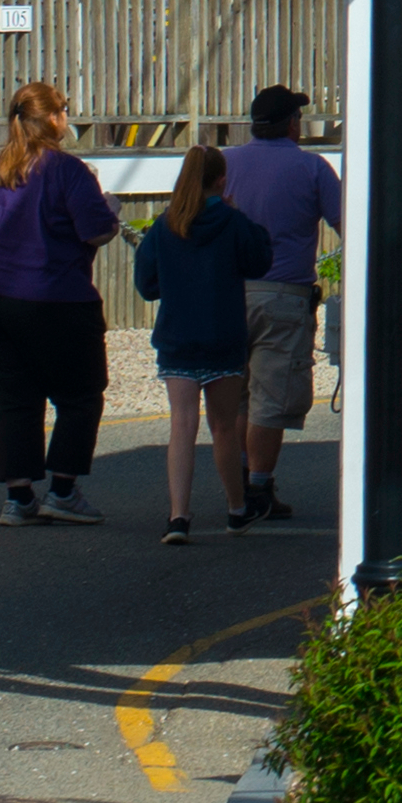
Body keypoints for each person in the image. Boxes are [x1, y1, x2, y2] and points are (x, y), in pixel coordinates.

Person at [0, 81, 122, 528]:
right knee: (80, 394)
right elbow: (96, 232)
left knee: (13, 395)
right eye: (64, 111)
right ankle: (63, 490)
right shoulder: (68, 171)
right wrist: (111, 207)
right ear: (53, 118)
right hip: (52, 295)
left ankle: (19, 497)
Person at [210, 83, 340, 536]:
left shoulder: (224, 164)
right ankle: (259, 488)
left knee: (239, 391)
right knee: (273, 394)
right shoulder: (312, 168)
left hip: (227, 292)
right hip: (283, 290)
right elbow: (348, 224)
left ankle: (242, 481)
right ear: (292, 124)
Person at [123, 145, 265, 547]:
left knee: (181, 426)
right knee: (222, 428)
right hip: (223, 336)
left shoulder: (165, 226)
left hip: (177, 337)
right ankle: (236, 509)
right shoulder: (233, 222)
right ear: (221, 181)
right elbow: (259, 260)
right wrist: (237, 212)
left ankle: (178, 516)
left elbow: (147, 286)